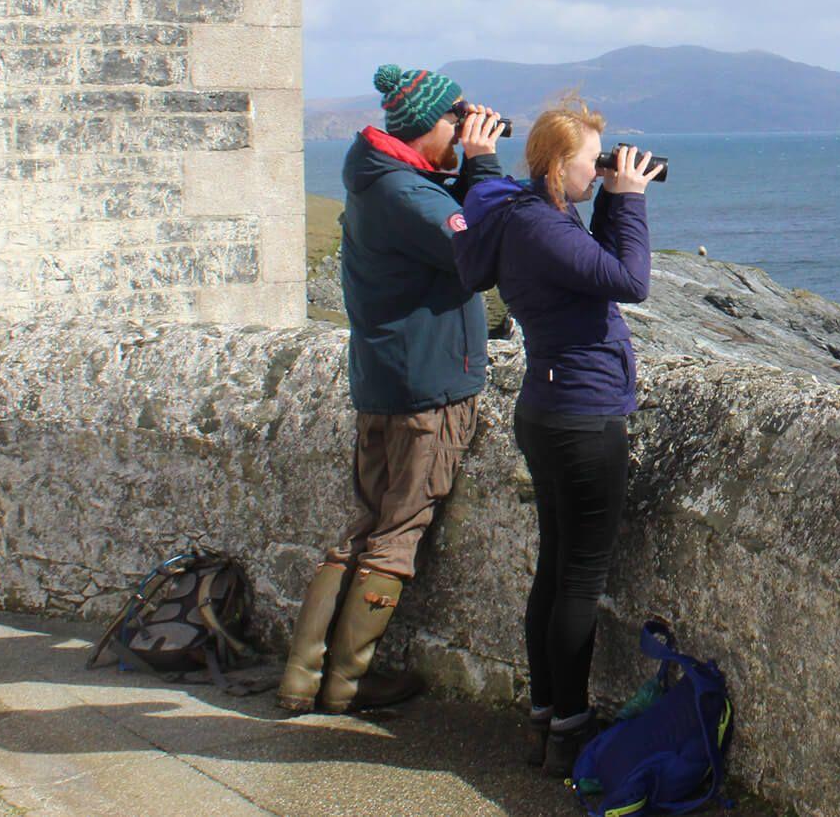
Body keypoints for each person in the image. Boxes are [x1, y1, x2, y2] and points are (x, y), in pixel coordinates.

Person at [276, 64, 507, 715]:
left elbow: (443, 215)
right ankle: (347, 684)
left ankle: (302, 677)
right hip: (427, 387)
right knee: (397, 533)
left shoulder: (382, 178)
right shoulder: (408, 196)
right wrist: (484, 168)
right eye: (454, 122)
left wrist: (463, 167)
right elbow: (478, 255)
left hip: (382, 379)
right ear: (431, 124)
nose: (462, 131)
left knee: (364, 524)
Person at [449, 98, 660, 777]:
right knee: (579, 581)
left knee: (555, 568)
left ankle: (547, 715)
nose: (599, 173)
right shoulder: (542, 227)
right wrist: (630, 200)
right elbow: (629, 280)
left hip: (548, 411)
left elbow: (590, 263)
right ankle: (569, 726)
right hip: (583, 419)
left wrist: (605, 199)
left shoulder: (528, 215)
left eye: (603, 164)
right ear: (551, 164)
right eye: (588, 164)